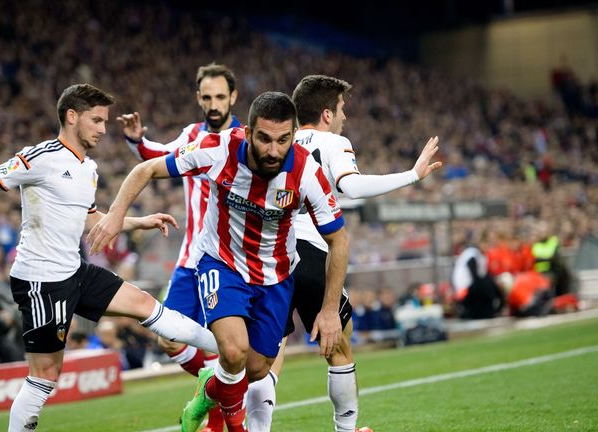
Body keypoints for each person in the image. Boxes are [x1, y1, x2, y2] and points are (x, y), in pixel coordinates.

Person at [0, 83, 218, 432]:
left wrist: (141, 221)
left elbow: (93, 220)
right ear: (71, 116)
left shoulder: (88, 168)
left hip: (74, 271)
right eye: (96, 120)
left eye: (104, 121)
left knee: (144, 303)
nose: (103, 129)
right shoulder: (40, 157)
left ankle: (230, 352)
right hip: (40, 281)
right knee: (46, 376)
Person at [88, 91, 349, 432]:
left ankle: (208, 389)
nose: (273, 150)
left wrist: (329, 310)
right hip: (222, 264)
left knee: (255, 368)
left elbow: (338, 239)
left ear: (293, 134)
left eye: (283, 140)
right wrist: (114, 216)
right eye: (265, 139)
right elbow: (146, 169)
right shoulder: (219, 148)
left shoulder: (305, 172)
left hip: (275, 276)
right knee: (234, 349)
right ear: (249, 131)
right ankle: (233, 426)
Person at [244, 75, 442, 432]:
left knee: (268, 355)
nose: (344, 117)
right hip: (310, 252)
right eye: (341, 108)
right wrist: (411, 175)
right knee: (339, 348)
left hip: (268, 257)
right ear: (325, 113)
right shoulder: (331, 141)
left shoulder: (275, 142)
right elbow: (349, 185)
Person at [118, 63, 242, 432]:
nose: (214, 103)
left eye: (221, 96)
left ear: (233, 97)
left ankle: (217, 422)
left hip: (231, 262)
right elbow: (159, 156)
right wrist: (137, 140)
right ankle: (209, 387)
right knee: (169, 338)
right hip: (191, 259)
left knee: (228, 346)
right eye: (207, 97)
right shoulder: (191, 134)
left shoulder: (247, 140)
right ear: (198, 98)